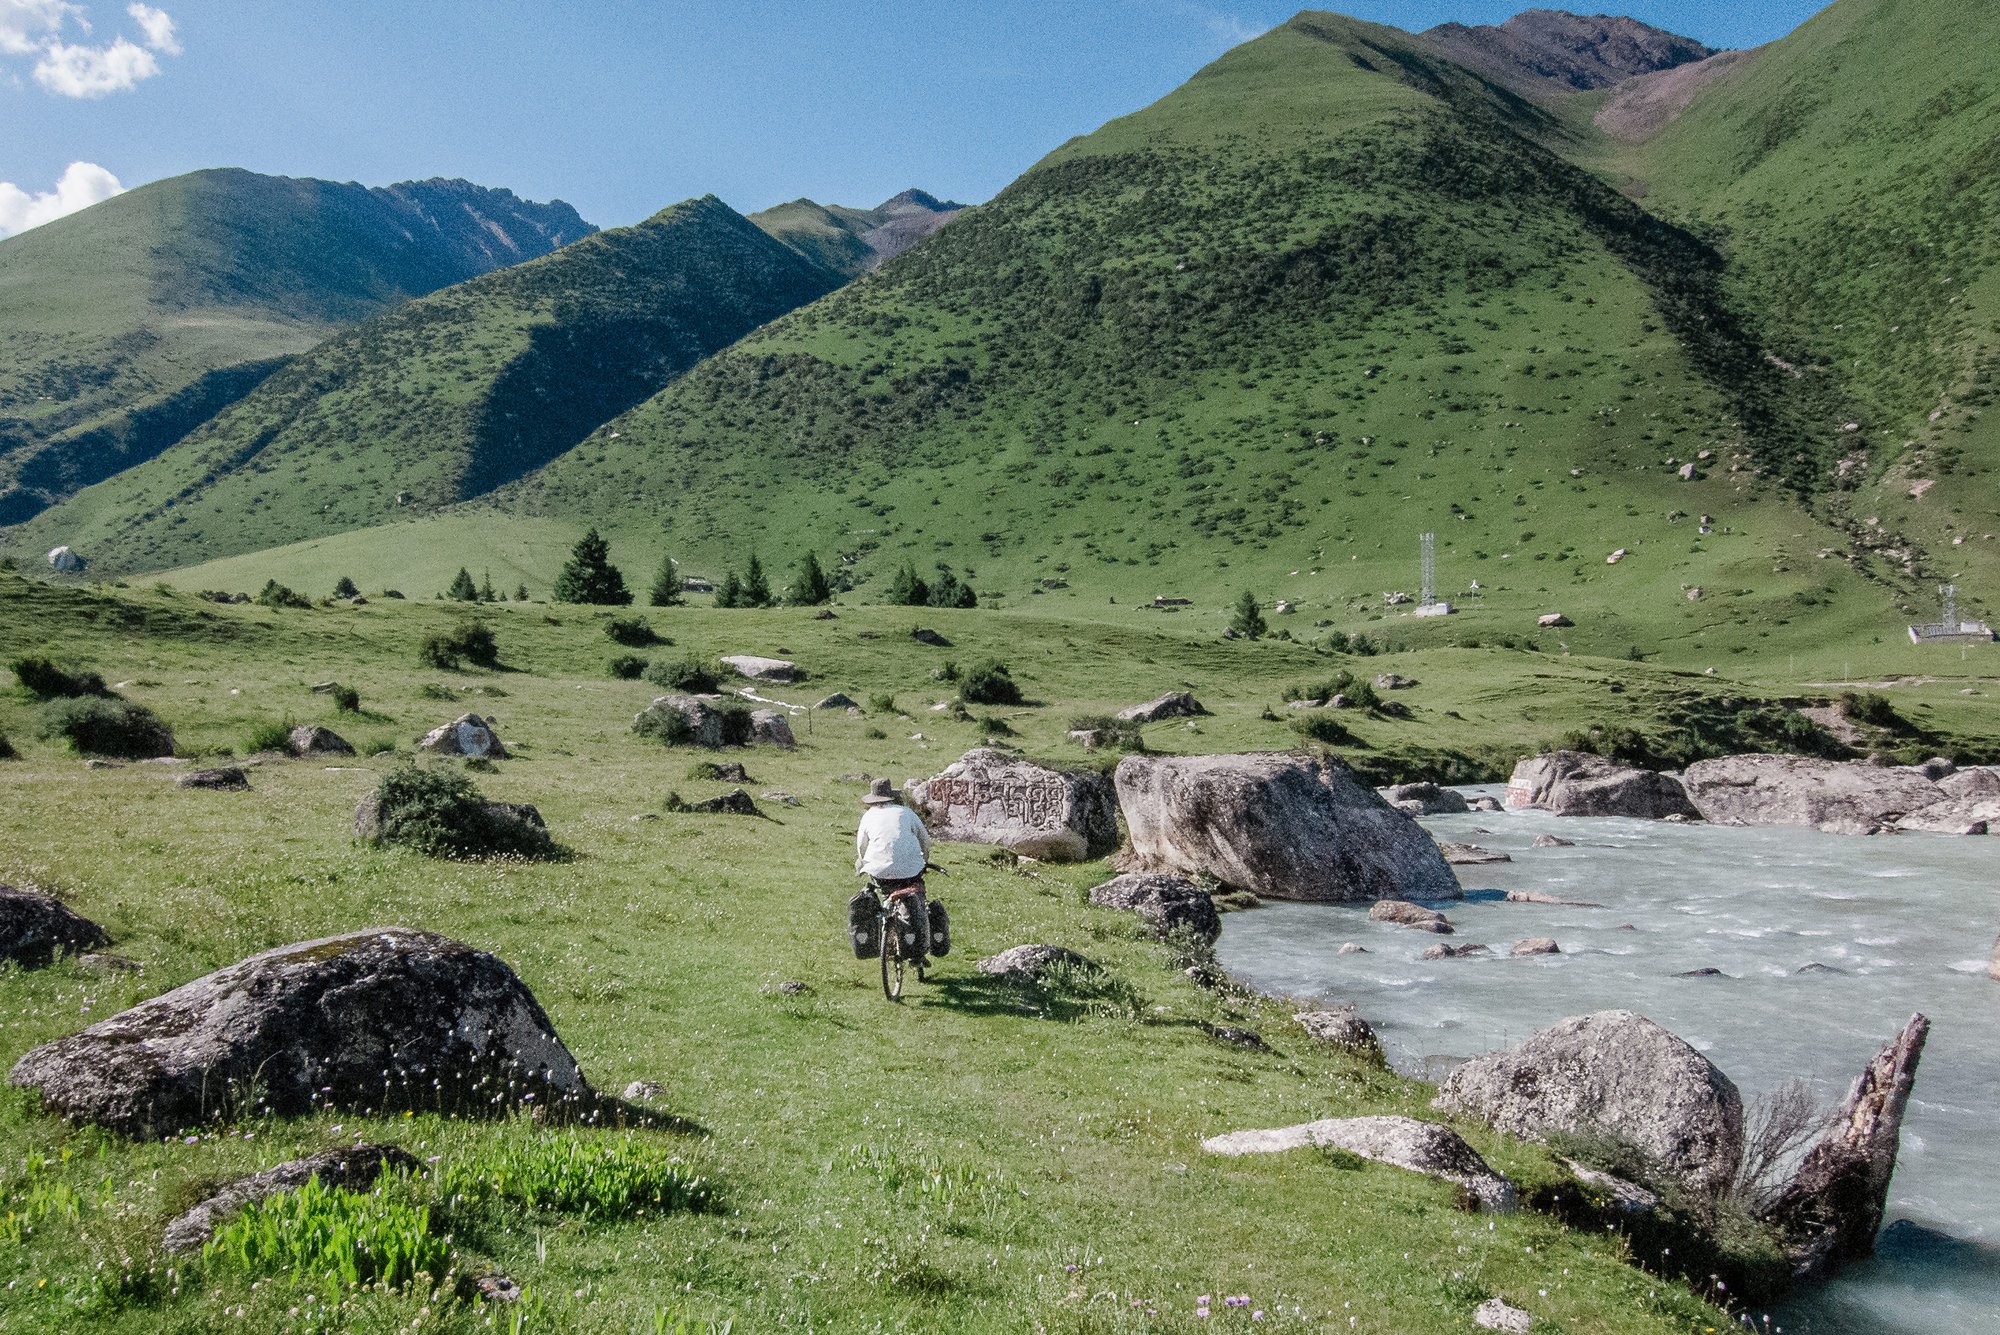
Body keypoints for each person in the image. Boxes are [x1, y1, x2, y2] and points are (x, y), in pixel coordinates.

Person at [856, 777, 932, 956]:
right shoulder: (906, 813)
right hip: (910, 871)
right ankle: (916, 947)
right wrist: (925, 861)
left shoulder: (868, 816)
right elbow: (925, 841)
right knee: (914, 893)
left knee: (884, 891)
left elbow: (861, 846)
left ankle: (885, 921)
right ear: (892, 796)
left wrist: (863, 862)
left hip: (878, 872)